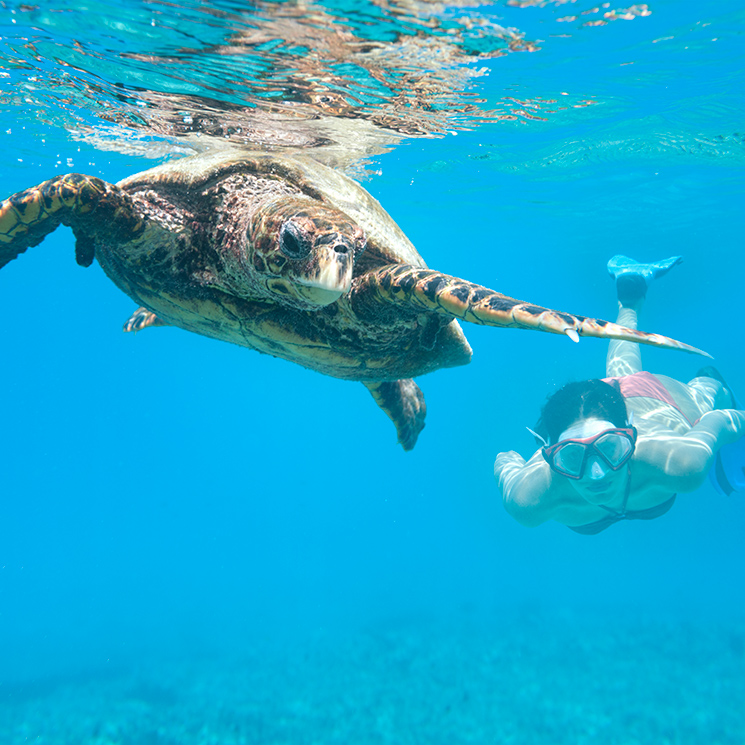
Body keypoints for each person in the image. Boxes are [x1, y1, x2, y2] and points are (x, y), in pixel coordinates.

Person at [493, 255, 745, 534]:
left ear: (631, 435)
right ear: (551, 456)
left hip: (656, 400)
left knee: (708, 390)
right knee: (620, 370)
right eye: (574, 456)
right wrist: (518, 464)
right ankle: (630, 292)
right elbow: (505, 459)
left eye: (610, 447)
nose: (597, 474)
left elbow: (722, 418)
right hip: (598, 405)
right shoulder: (529, 500)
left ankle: (705, 375)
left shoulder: (681, 460)